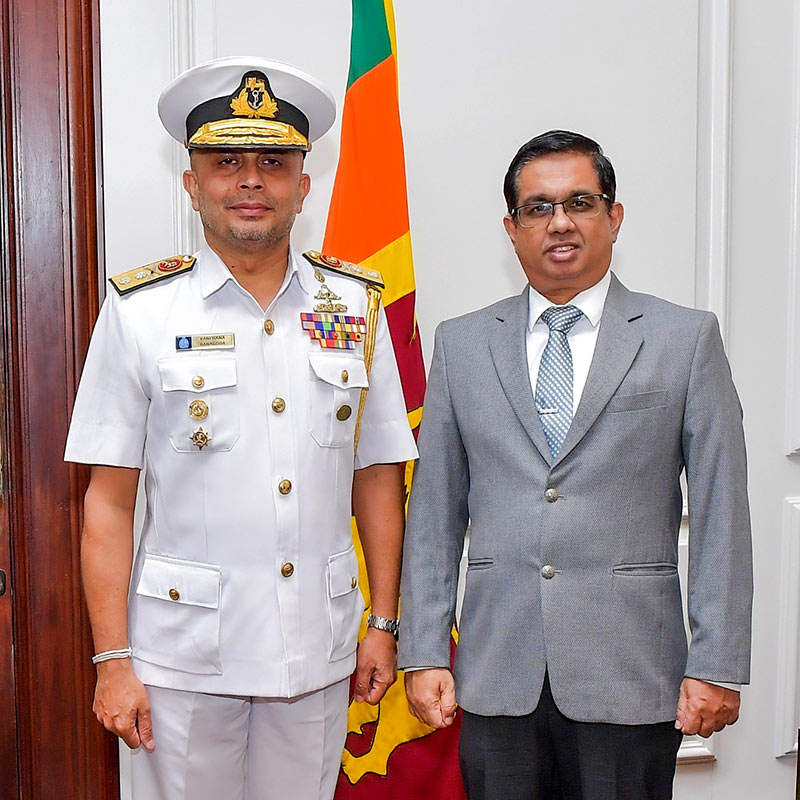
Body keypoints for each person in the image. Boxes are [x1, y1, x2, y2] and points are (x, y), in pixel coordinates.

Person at [65, 56, 417, 800]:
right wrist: (111, 659)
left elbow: (379, 473)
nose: (251, 180)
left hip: (318, 652)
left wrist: (383, 620)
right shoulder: (141, 311)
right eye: (226, 162)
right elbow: (108, 500)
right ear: (191, 182)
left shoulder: (352, 309)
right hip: (180, 658)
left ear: (303, 184)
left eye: (273, 161)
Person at [398, 130, 752, 799]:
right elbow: (434, 513)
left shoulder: (685, 339)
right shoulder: (463, 344)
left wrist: (718, 663)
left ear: (613, 217)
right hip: (497, 674)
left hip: (631, 673)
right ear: (511, 227)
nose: (558, 222)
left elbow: (721, 511)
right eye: (537, 207)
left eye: (579, 202)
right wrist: (421, 651)